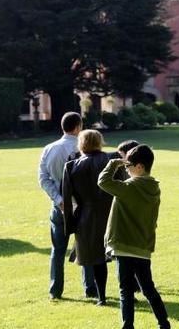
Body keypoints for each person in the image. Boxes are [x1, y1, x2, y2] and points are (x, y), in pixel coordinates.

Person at [97, 145, 171, 329]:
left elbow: (103, 181)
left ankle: (127, 326)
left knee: (125, 291)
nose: (126, 168)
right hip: (142, 246)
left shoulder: (130, 186)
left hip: (124, 244)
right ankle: (164, 323)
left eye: (128, 165)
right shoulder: (154, 187)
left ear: (139, 167)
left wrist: (113, 163)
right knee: (148, 289)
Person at [37, 112, 94, 300]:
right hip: (82, 206)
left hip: (59, 206)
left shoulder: (49, 148)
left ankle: (55, 290)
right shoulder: (85, 149)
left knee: (58, 250)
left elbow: (43, 179)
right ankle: (90, 288)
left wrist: (59, 199)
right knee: (86, 247)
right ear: (78, 127)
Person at [62, 129, 114, 306]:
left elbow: (68, 200)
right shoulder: (110, 161)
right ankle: (127, 293)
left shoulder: (71, 166)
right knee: (120, 256)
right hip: (111, 214)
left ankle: (102, 297)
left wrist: (69, 226)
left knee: (96, 260)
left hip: (85, 216)